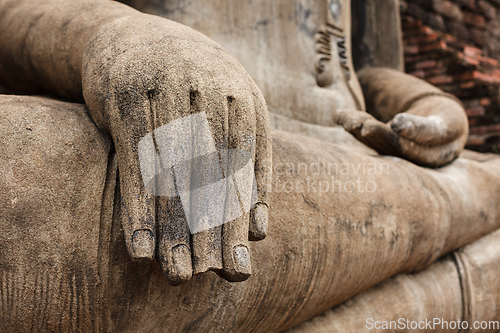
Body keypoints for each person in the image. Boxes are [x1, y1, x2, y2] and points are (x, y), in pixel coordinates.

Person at [0, 0, 497, 331]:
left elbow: (363, 67)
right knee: (28, 178)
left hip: (349, 149)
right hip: (190, 124)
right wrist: (122, 32)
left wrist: (432, 104)